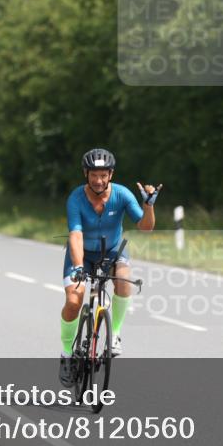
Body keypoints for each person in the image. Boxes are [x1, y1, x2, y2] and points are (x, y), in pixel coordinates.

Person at [58, 148, 161, 386]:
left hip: (113, 250)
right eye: (93, 174)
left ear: (111, 174)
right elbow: (75, 235)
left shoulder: (122, 195)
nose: (98, 180)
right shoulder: (76, 198)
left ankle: (114, 335)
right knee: (74, 301)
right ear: (86, 174)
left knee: (125, 281)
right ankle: (66, 354)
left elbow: (145, 227)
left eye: (103, 175)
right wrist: (76, 266)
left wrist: (148, 206)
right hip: (82, 254)